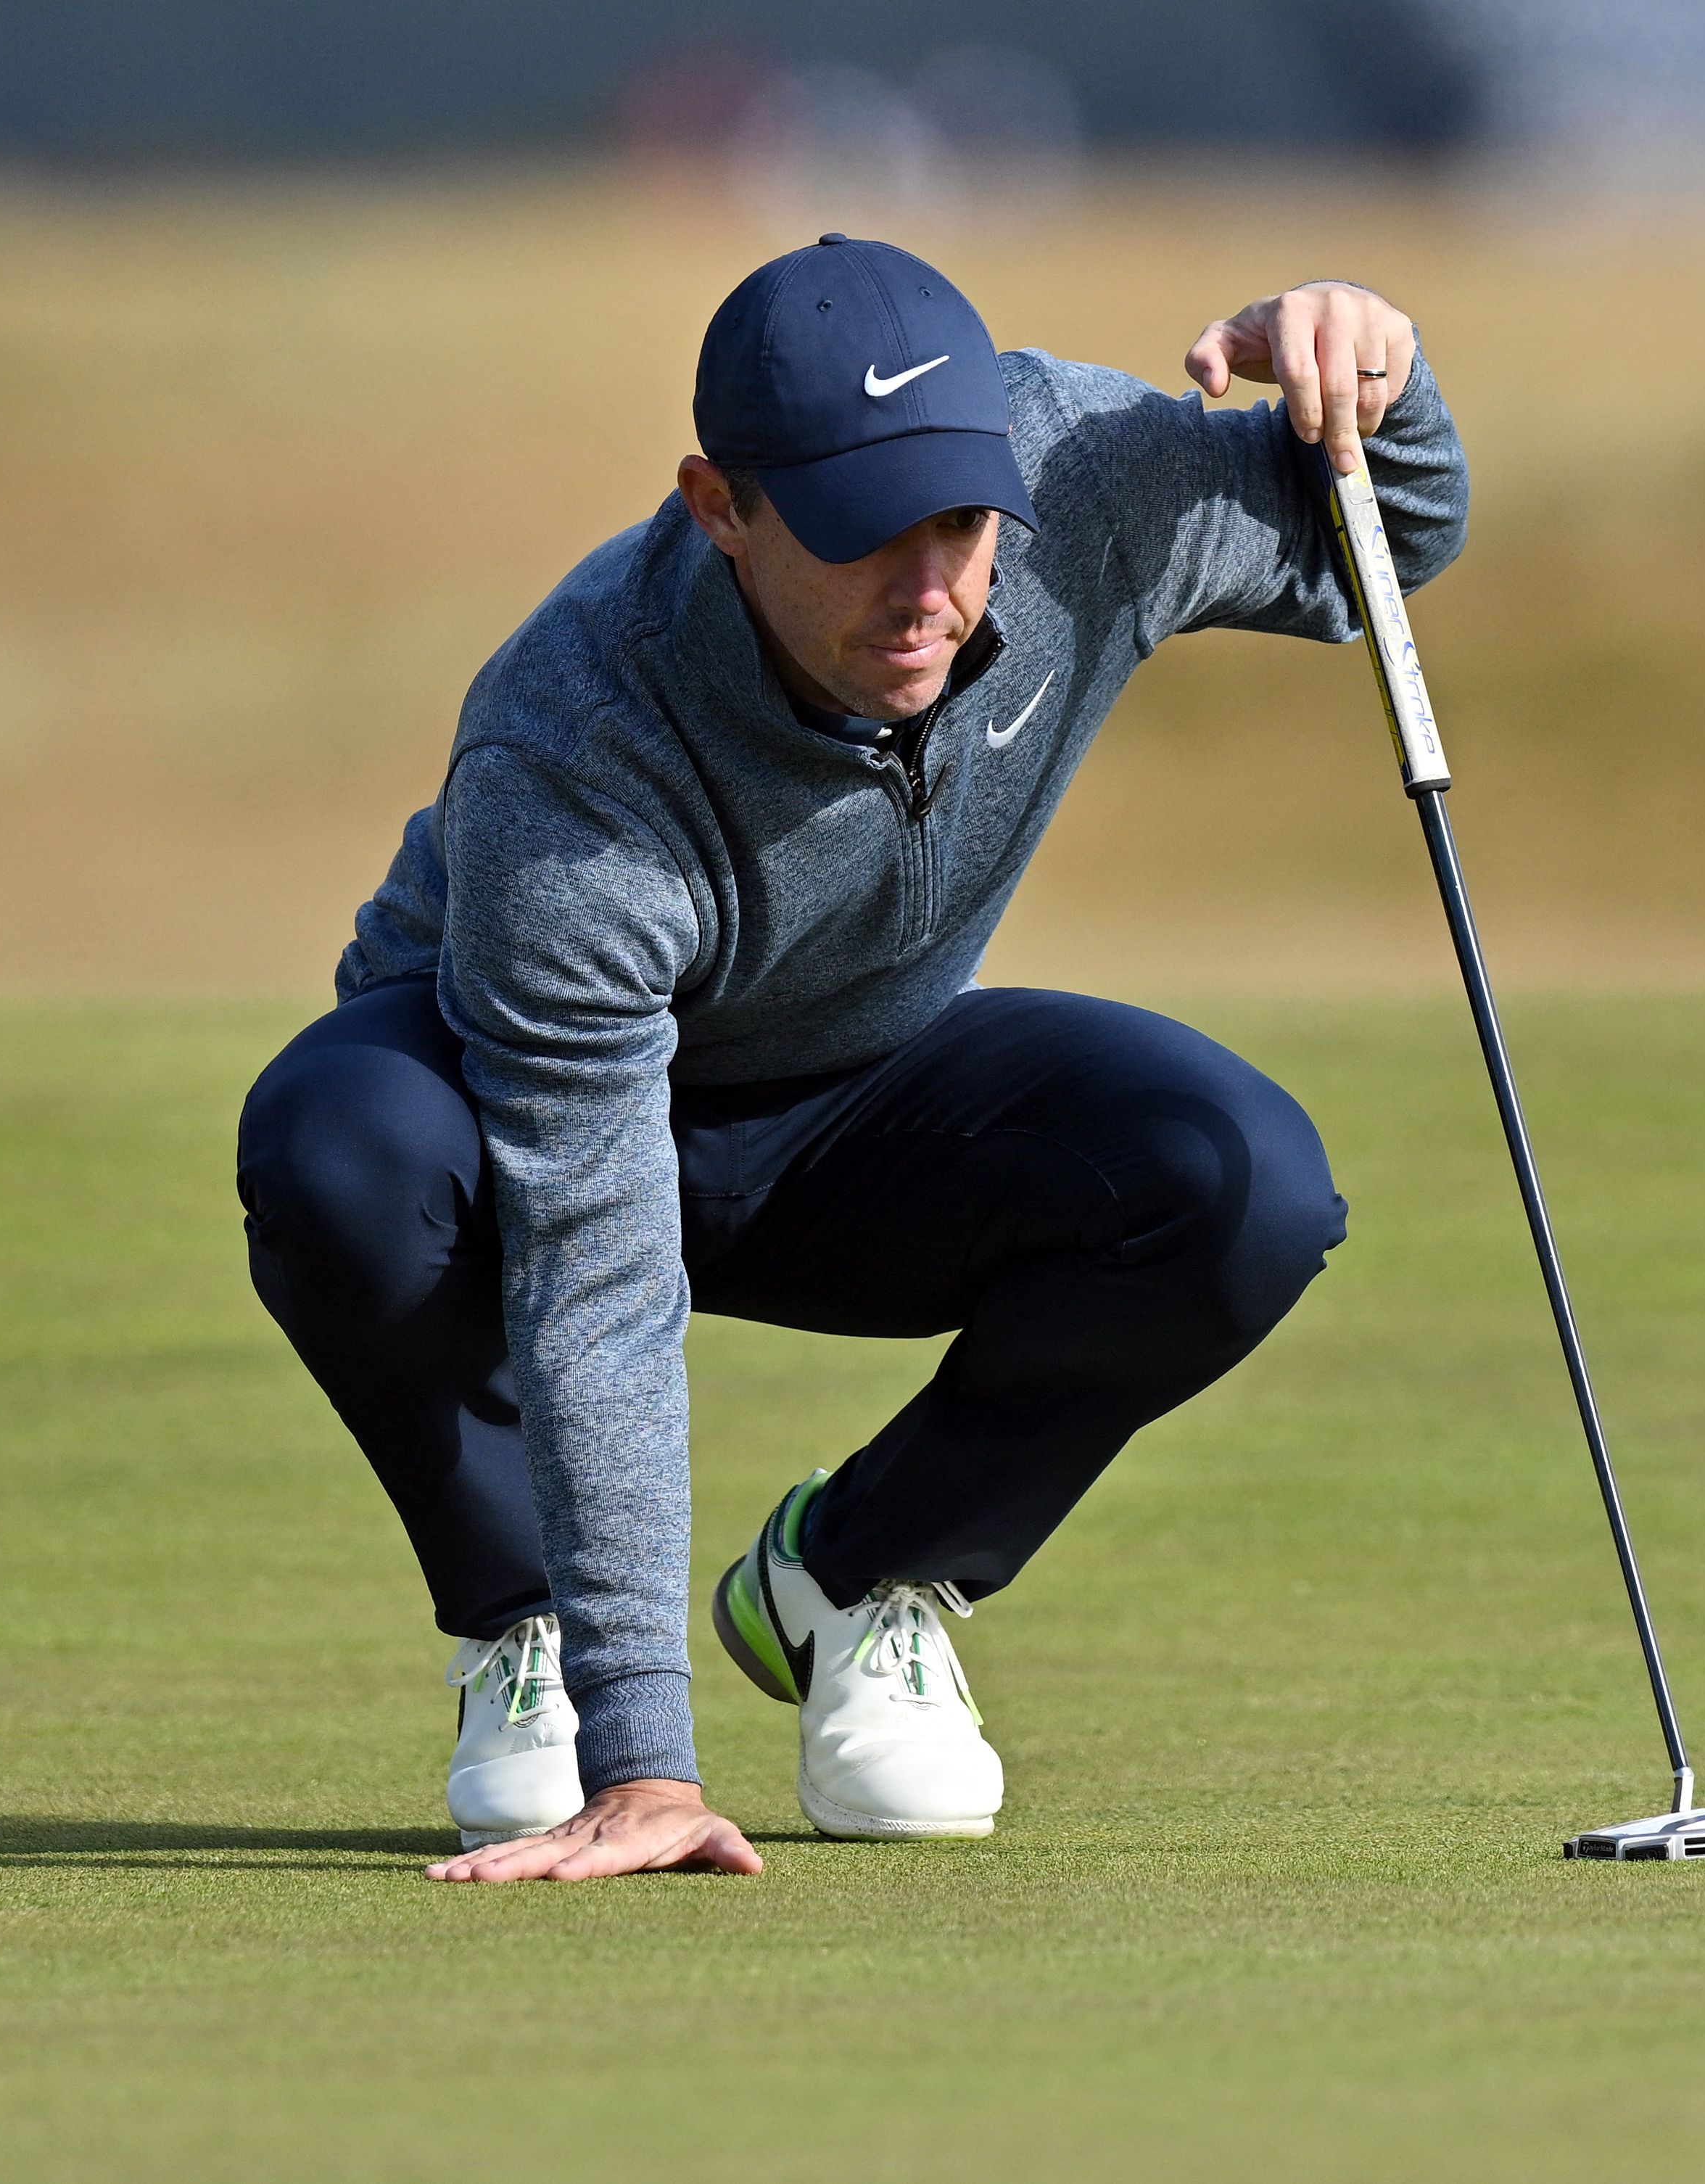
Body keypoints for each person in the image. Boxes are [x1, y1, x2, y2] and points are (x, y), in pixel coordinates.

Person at [233, 235, 1464, 1884]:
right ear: (716, 507)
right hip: (503, 1124)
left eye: (956, 526)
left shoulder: (1073, 473)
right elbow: (596, 1265)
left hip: (849, 1098)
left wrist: (1379, 382)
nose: (931, 588)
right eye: (857, 536)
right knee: (338, 1151)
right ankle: (521, 1626)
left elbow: (1379, 554)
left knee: (1237, 1179)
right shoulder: (576, 742)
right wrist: (644, 1760)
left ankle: (854, 1578)